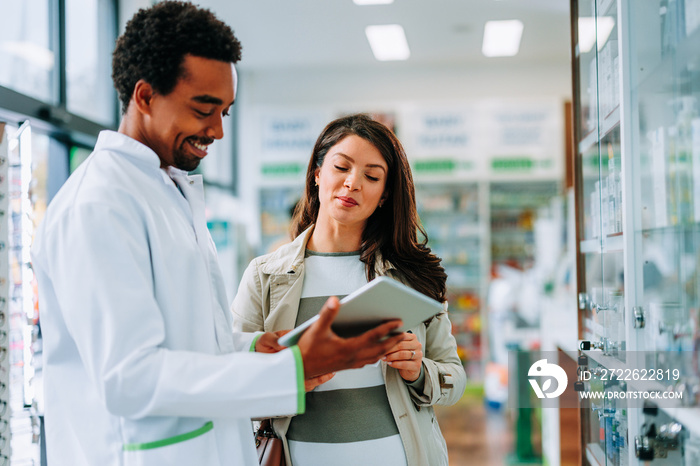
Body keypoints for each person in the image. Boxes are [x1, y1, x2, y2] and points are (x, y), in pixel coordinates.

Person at [30, 3, 404, 465]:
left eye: (226, 111)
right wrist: (292, 369)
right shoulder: (98, 206)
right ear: (145, 96)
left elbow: (186, 339)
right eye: (204, 109)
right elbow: (129, 377)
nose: (218, 131)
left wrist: (253, 348)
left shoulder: (167, 191)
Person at [231, 114, 467, 466]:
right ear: (317, 174)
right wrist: (289, 378)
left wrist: (418, 371)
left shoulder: (409, 275)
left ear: (384, 195)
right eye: (341, 167)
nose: (352, 183)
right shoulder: (265, 276)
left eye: (372, 176)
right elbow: (232, 380)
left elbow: (455, 378)